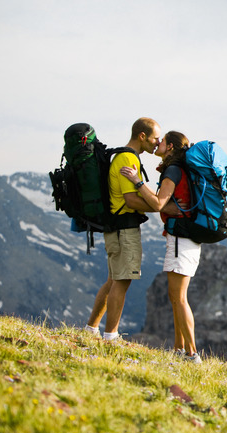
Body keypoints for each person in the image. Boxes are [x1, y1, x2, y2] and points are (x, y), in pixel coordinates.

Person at [121, 130, 204, 364]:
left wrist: (137, 181)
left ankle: (192, 353)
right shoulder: (181, 170)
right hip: (185, 237)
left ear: (171, 147)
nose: (158, 143)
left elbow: (158, 203)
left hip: (180, 237)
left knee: (179, 297)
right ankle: (179, 349)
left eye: (163, 141)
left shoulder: (173, 170)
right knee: (174, 295)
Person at [84, 117, 162, 342]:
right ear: (142, 136)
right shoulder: (128, 159)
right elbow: (131, 200)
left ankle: (91, 329)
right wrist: (160, 207)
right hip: (124, 228)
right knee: (122, 281)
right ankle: (111, 335)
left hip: (114, 228)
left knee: (112, 280)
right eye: (155, 138)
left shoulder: (122, 156)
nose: (157, 143)